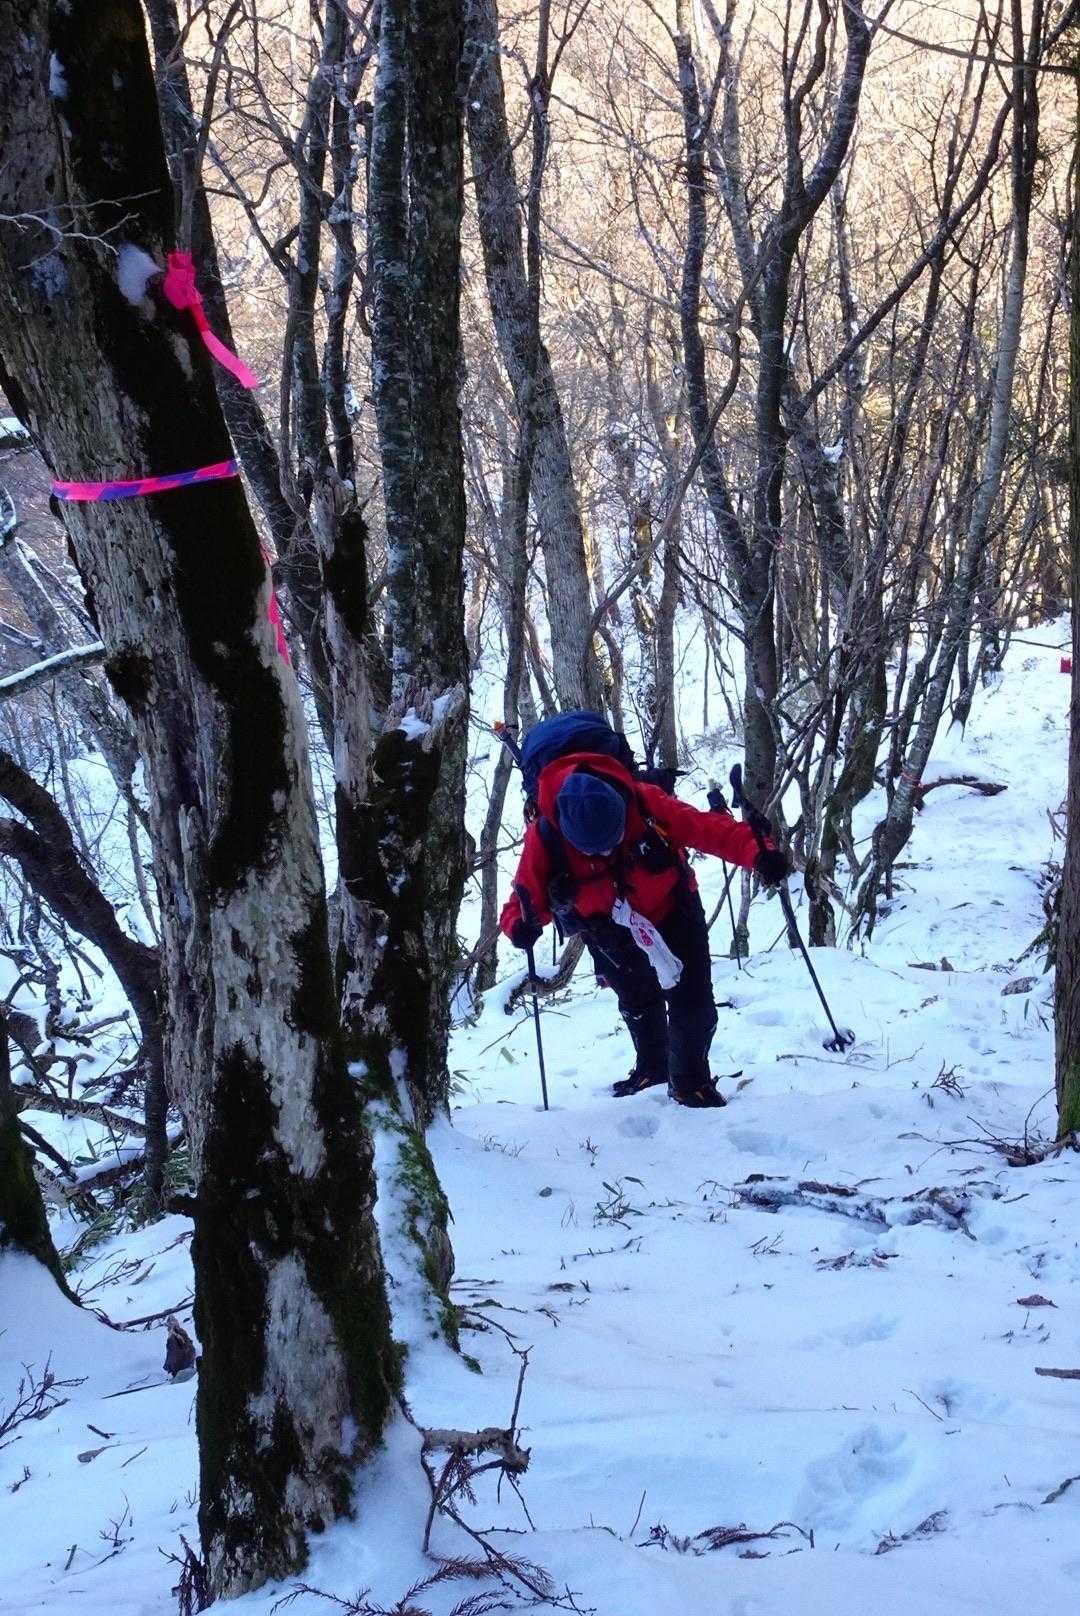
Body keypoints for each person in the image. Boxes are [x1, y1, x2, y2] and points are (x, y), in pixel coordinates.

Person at [500, 750, 789, 1107]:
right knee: (639, 1000)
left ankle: (690, 1087)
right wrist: (519, 927)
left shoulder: (644, 801)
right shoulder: (545, 836)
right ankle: (653, 1069)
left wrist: (758, 854)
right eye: (594, 851)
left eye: (613, 840)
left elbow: (707, 829)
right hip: (607, 929)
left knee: (694, 1003)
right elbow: (524, 899)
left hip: (672, 908)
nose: (606, 853)